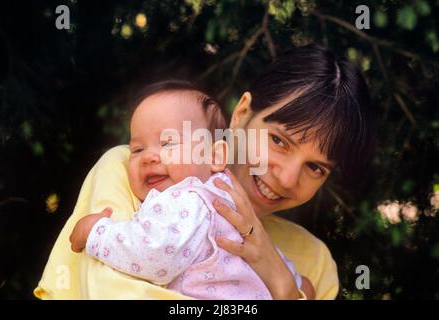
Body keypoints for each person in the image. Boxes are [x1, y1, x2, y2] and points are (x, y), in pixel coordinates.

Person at [35, 44, 375, 300]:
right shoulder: (138, 172)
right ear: (241, 113)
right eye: (279, 141)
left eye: (315, 167)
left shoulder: (314, 261)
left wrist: (284, 286)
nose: (286, 178)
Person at [68, 81, 311, 299]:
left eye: (168, 143)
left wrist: (96, 232)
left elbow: (154, 253)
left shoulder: (187, 199)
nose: (149, 157)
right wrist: (298, 283)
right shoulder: (225, 197)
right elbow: (258, 255)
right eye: (138, 149)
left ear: (215, 155)